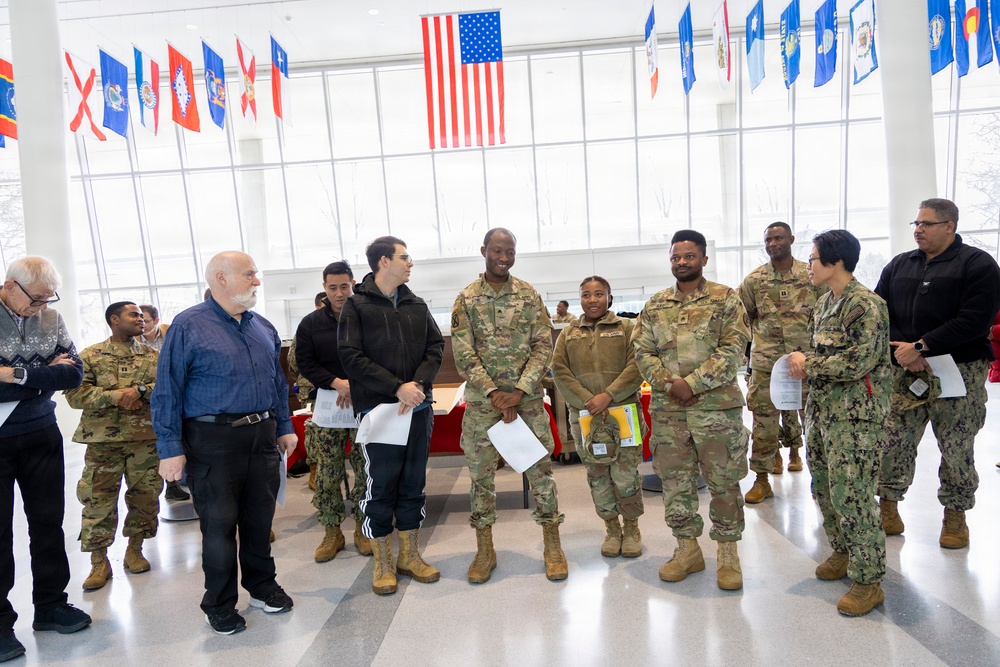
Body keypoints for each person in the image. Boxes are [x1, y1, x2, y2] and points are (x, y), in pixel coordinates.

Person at [152, 251, 297, 635]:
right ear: (221, 278)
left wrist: (284, 425)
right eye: (250, 274)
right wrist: (169, 449)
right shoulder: (188, 326)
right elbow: (167, 390)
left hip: (262, 437)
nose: (256, 281)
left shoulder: (261, 327)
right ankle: (217, 603)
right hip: (211, 440)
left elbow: (277, 384)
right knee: (218, 528)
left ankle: (262, 587)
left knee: (258, 521)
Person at [874, 198, 1000, 549]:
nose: (918, 230)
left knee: (957, 444)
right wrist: (906, 349)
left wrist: (923, 345)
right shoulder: (900, 264)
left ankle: (955, 516)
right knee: (894, 441)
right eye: (915, 223)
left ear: (949, 226)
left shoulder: (977, 265)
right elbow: (879, 312)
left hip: (958, 370)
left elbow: (975, 320)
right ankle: (888, 507)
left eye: (926, 224)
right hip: (906, 370)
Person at [632, 230, 750, 591]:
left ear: (703, 259)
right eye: (676, 257)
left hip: (717, 410)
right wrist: (670, 384)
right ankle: (687, 549)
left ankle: (728, 553)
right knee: (675, 483)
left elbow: (734, 349)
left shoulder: (726, 299)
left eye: (689, 256)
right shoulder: (654, 305)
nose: (681, 262)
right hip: (669, 413)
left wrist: (693, 383)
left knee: (723, 482)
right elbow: (642, 352)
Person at [451, 228, 568, 583]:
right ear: (484, 250)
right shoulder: (467, 299)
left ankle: (552, 544)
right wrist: (493, 393)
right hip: (483, 405)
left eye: (510, 251)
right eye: (497, 250)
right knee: (480, 479)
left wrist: (519, 390)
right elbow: (463, 352)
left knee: (540, 475)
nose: (504, 257)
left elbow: (543, 345)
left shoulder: (529, 295)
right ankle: (485, 549)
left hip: (527, 401)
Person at [788, 229, 892, 617]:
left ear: (834, 262)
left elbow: (857, 362)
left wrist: (806, 362)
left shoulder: (866, 305)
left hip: (856, 419)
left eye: (813, 259)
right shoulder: (824, 304)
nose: (808, 267)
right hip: (822, 413)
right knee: (826, 489)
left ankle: (869, 581)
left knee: (855, 495)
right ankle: (843, 551)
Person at [338, 237, 443, 596]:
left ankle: (409, 555)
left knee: (414, 484)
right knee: (381, 486)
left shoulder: (416, 304)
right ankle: (382, 560)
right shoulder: (356, 306)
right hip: (380, 411)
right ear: (384, 262)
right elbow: (351, 357)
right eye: (404, 257)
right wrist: (397, 387)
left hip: (418, 408)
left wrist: (418, 385)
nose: (410, 263)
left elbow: (435, 346)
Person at [0, 257, 91, 663]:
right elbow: (54, 374)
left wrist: (14, 375)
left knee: (49, 524)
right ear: (10, 286)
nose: (42, 306)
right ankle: (1, 625)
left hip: (41, 434)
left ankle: (51, 605)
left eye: (47, 299)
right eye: (36, 299)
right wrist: (42, 374)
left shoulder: (51, 319)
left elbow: (74, 375)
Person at [64, 301, 162, 592]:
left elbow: (169, 387)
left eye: (142, 316)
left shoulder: (153, 356)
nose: (141, 319)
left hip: (144, 440)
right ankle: (99, 561)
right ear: (114, 319)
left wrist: (141, 390)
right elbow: (75, 394)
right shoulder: (91, 356)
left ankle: (135, 550)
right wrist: (116, 396)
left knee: (145, 497)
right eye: (133, 315)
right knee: (97, 500)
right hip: (102, 442)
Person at [552, 276, 645, 558]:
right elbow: (559, 370)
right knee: (597, 475)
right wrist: (588, 402)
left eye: (599, 294)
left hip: (623, 413)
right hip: (585, 418)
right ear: (580, 299)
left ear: (609, 297)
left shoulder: (627, 328)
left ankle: (631, 529)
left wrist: (609, 396)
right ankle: (612, 530)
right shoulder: (569, 334)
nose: (592, 300)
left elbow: (637, 365)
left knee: (626, 475)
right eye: (586, 295)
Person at [738, 222, 825, 503]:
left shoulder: (810, 276)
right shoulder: (754, 281)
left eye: (778, 238)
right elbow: (744, 319)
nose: (773, 244)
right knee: (763, 426)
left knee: (815, 423)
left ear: (791, 239)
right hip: (767, 367)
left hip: (808, 364)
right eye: (768, 240)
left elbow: (826, 314)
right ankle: (761, 480)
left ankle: (820, 480)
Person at [295, 262, 370, 562]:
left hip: (363, 403)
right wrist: (336, 383)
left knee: (365, 469)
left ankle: (363, 528)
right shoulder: (310, 324)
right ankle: (332, 531)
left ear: (352, 284)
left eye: (344, 286)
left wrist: (356, 384)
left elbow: (378, 355)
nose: (339, 293)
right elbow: (305, 362)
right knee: (327, 473)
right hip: (327, 406)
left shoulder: (365, 317)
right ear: (324, 288)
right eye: (332, 287)